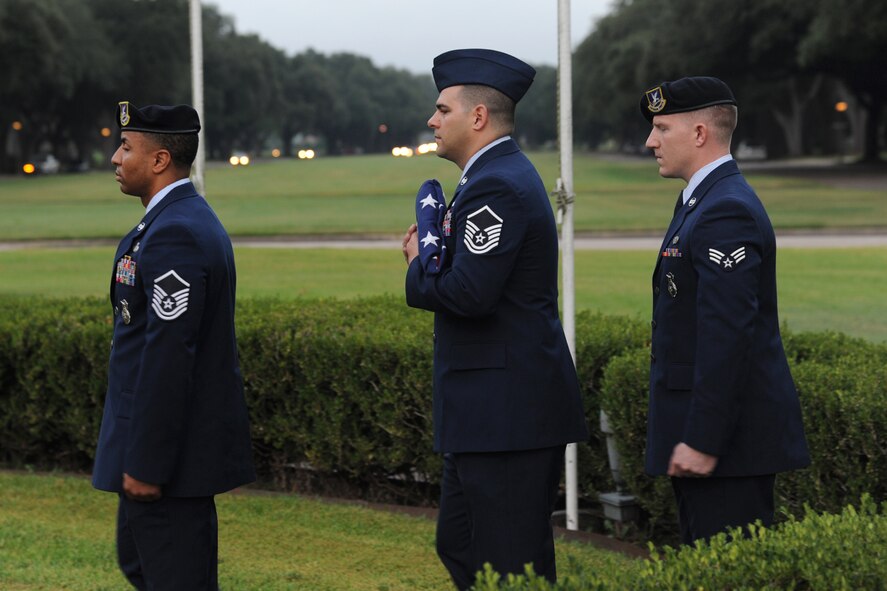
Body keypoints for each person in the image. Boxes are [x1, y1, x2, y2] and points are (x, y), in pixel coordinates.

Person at [402, 49, 589, 589]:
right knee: (462, 544)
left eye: (442, 109)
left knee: (510, 564)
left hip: (509, 415)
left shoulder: (498, 184)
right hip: (492, 414)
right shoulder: (490, 177)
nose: (432, 120)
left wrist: (418, 266)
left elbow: (469, 292)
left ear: (478, 117)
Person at [92, 102, 255, 589]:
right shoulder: (173, 221)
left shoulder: (176, 233)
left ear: (160, 160)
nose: (115, 159)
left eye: (126, 147)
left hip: (169, 463)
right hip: (160, 454)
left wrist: (146, 465)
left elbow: (167, 356)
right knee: (142, 564)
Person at [640, 77, 810, 545]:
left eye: (661, 128)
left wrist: (703, 440)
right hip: (715, 445)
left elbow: (728, 335)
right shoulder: (703, 200)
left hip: (727, 451)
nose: (649, 141)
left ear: (699, 133)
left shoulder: (724, 211)